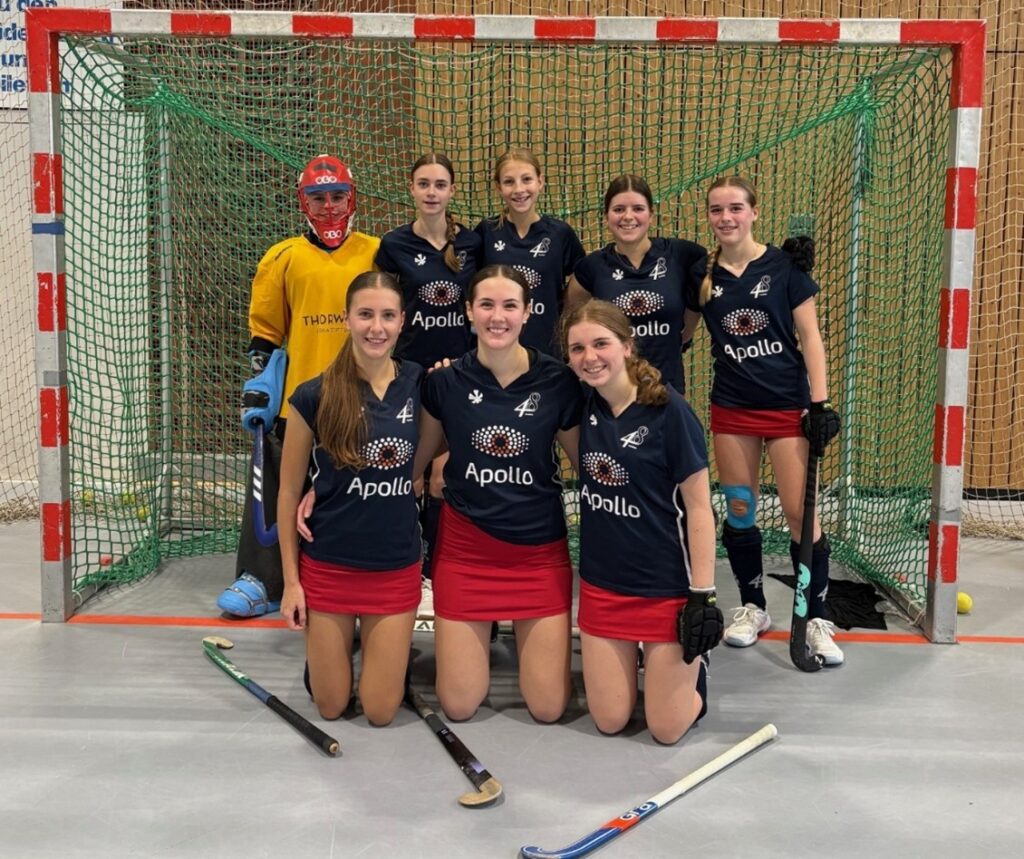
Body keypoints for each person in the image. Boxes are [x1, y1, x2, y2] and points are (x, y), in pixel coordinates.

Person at [683, 175, 843, 664]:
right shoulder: (703, 274)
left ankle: (815, 617)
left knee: (799, 514)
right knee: (740, 508)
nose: (726, 218)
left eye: (735, 208)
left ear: (754, 211)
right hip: (732, 408)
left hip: (786, 407)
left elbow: (811, 338)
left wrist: (820, 403)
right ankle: (753, 606)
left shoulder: (784, 267)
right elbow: (681, 333)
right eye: (717, 210)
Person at [416, 264, 582, 723]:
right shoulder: (444, 383)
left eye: (510, 305)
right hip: (466, 552)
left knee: (548, 708)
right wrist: (324, 490)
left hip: (538, 553)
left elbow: (590, 466)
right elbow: (411, 468)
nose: (498, 316)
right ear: (469, 311)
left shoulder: (559, 382)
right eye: (486, 305)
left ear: (527, 312)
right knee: (459, 706)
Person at [217, 154, 380, 618]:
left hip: (364, 398)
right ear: (302, 202)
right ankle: (261, 578)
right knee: (278, 484)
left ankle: (361, 575)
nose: (329, 207)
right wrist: (259, 384)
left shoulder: (378, 252)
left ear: (352, 199)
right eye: (318, 197)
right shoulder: (282, 257)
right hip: (300, 402)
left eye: (337, 196)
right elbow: (265, 333)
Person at [561, 299, 722, 744]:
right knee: (610, 720)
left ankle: (695, 672)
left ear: (628, 346)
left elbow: (700, 509)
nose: (590, 357)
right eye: (577, 349)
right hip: (603, 586)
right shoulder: (582, 404)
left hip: (664, 589)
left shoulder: (671, 412)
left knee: (666, 730)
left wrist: (703, 597)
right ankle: (651, 668)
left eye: (601, 344)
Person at [277, 272, 420, 723]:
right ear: (346, 319)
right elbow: (288, 491)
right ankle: (327, 659)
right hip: (329, 565)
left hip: (394, 566)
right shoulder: (313, 394)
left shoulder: (423, 384)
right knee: (331, 706)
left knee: (380, 711)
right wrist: (292, 583)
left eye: (387, 316)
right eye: (365, 315)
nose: (376, 327)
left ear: (402, 321)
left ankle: (381, 660)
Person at [375, 154, 482, 618]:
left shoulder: (473, 242)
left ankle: (439, 575)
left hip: (459, 377)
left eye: (440, 184)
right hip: (410, 375)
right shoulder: (394, 244)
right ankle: (407, 571)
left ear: (452, 190)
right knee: (410, 475)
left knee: (443, 476)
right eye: (424, 184)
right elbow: (384, 305)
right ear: (412, 189)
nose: (432, 192)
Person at [568, 174, 706, 394]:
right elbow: (571, 320)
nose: (628, 217)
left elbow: (700, 295)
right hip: (611, 393)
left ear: (651, 214)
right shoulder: (591, 267)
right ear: (606, 216)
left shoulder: (681, 255)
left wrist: (684, 335)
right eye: (619, 209)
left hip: (666, 388)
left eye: (638, 209)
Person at [475, 150, 586, 357]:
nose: (519, 189)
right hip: (496, 351)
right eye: (509, 182)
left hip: (547, 351)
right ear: (498, 187)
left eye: (527, 179)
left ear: (540, 182)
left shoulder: (560, 233)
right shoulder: (487, 231)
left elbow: (584, 279)